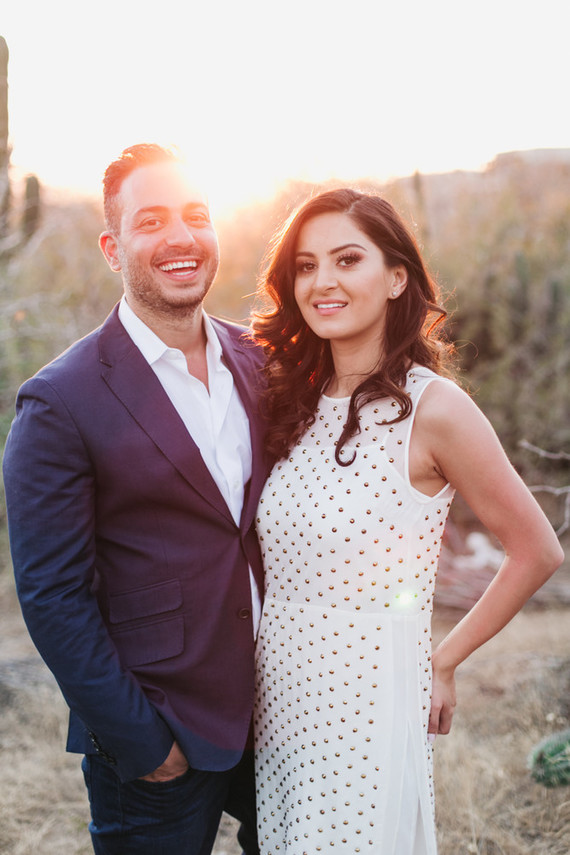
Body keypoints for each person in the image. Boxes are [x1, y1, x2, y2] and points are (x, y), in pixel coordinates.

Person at [250, 188, 563, 854]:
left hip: (369, 691)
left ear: (397, 278)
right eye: (305, 266)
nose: (322, 281)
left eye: (347, 259)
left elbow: (536, 549)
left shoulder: (435, 408)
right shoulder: (289, 398)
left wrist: (444, 662)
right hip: (278, 691)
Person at [2, 143, 267, 855]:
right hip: (160, 733)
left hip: (282, 718)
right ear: (111, 248)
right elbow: (52, 594)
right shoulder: (60, 400)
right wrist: (141, 739)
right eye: (150, 222)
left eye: (196, 216)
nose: (180, 237)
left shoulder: (262, 362)